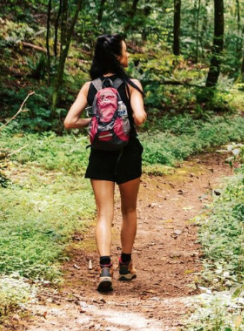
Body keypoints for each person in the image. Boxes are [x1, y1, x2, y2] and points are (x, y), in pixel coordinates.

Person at [63, 33, 147, 293]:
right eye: (125, 50)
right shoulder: (132, 84)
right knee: (129, 210)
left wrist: (97, 121)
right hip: (128, 151)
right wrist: (129, 115)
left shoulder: (90, 87)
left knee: (103, 213)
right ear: (117, 57)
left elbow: (68, 122)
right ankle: (125, 264)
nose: (128, 54)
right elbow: (140, 118)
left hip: (100, 153)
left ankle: (104, 269)